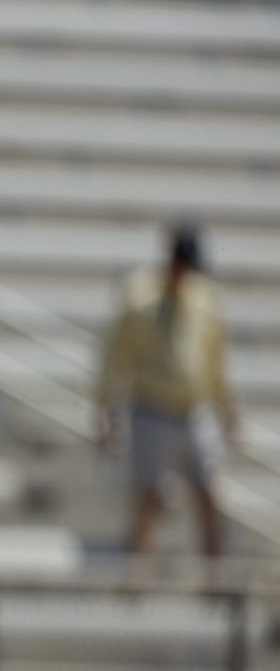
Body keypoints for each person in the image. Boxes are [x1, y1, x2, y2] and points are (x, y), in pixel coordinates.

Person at [95, 223, 240, 558]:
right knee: (150, 497)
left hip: (194, 410)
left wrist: (229, 408)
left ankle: (217, 585)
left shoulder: (204, 299)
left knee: (210, 496)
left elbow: (216, 359)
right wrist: (105, 409)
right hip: (152, 410)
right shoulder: (139, 296)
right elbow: (115, 356)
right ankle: (138, 575)